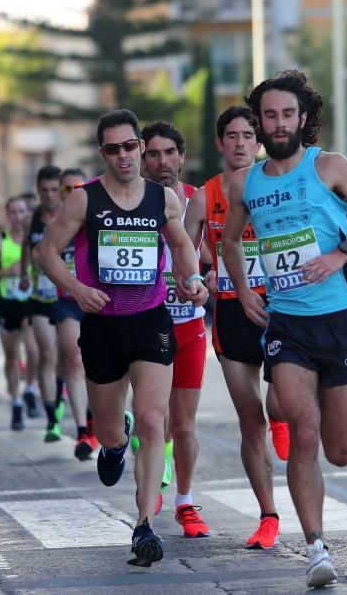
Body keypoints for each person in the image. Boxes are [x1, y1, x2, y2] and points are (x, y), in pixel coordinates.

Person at [221, 71, 347, 587]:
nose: (278, 123)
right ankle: (316, 547)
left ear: (303, 118)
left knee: (340, 451)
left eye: (287, 114)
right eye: (268, 115)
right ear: (260, 121)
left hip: (339, 321)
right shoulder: (248, 181)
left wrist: (341, 253)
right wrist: (246, 292)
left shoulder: (331, 166)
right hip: (287, 324)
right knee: (304, 431)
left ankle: (318, 528)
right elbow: (230, 242)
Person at [37, 108, 208, 568]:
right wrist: (76, 289)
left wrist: (191, 278)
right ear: (103, 154)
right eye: (113, 149)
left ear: (139, 146)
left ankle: (144, 526)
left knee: (155, 420)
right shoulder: (83, 200)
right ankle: (114, 445)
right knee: (113, 427)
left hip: (150, 321)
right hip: (102, 325)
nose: (124, 155)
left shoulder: (162, 199)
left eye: (130, 146)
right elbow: (45, 252)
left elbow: (180, 244)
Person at [183, 105, 289, 550]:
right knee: (249, 417)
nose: (241, 142)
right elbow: (183, 247)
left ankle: (282, 416)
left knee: (279, 401)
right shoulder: (205, 196)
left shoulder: (280, 184)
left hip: (282, 305)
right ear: (220, 143)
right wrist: (195, 275)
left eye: (249, 134)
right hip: (230, 311)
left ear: (258, 142)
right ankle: (267, 516)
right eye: (233, 135)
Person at [140, 121, 210, 537]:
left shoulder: (197, 203)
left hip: (189, 327)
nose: (162, 161)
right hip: (146, 327)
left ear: (181, 158)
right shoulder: (131, 204)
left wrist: (206, 282)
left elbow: (215, 256)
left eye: (170, 153)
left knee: (182, 425)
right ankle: (148, 496)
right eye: (153, 154)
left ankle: (185, 502)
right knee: (154, 420)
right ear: (142, 159)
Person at [43, 168, 98, 460]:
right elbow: (41, 255)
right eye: (65, 189)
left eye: (77, 187)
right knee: (74, 359)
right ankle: (81, 430)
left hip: (98, 301)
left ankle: (97, 418)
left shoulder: (97, 216)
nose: (71, 193)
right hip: (67, 300)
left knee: (103, 367)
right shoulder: (55, 222)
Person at [0, 197, 38, 430]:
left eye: (21, 211)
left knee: (33, 350)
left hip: (31, 301)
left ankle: (31, 389)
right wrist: (7, 271)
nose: (17, 217)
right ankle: (15, 402)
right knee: (12, 357)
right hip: (8, 303)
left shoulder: (35, 236)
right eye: (13, 212)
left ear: (27, 213)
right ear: (7, 215)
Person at [20, 166, 63, 442]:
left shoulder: (69, 215)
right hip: (39, 298)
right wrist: (24, 273)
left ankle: (60, 400)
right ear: (37, 190)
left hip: (67, 297)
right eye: (44, 190)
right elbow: (26, 247)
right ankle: (51, 418)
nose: (49, 195)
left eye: (53, 190)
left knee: (70, 358)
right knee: (46, 353)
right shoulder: (31, 219)